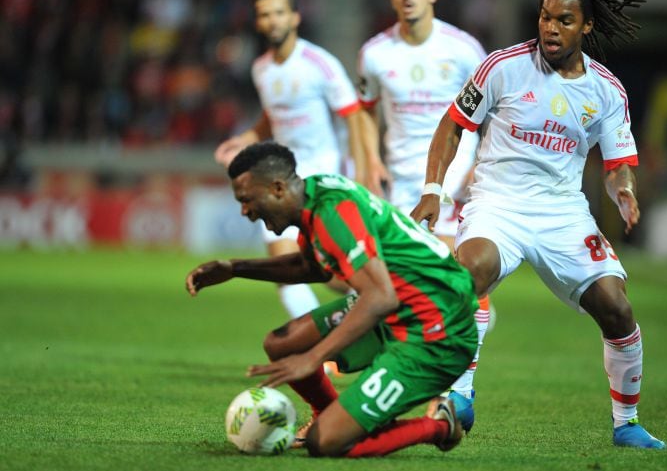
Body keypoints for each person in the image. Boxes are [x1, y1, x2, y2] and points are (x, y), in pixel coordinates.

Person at [411, 0, 666, 449]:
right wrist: (432, 190)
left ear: (586, 25)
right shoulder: (503, 66)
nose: (550, 28)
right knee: (469, 274)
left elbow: (617, 165)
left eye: (564, 20)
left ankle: (627, 422)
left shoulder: (606, 91)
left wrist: (625, 192)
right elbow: (451, 125)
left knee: (616, 308)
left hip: (562, 212)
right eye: (545, 17)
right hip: (497, 204)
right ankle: (459, 394)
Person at [185, 142, 479, 457]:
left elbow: (378, 297)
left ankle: (439, 425)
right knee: (282, 344)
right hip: (401, 308)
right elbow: (311, 267)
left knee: (325, 443)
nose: (245, 211)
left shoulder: (332, 213)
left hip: (437, 333)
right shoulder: (315, 195)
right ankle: (333, 414)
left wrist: (313, 359)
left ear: (278, 188)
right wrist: (234, 268)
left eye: (246, 200)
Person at [354, 0, 489, 431]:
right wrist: (368, 162)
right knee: (397, 289)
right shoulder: (374, 54)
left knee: (459, 281)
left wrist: (476, 166)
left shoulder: (464, 49)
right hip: (400, 184)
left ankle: (459, 391)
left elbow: (493, 110)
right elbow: (366, 112)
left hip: (454, 181)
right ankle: (401, 379)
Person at [213, 0, 377, 319]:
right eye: (264, 15)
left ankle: (393, 299)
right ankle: (320, 349)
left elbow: (354, 116)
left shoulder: (320, 63)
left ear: (295, 17)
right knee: (288, 268)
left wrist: (363, 173)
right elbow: (272, 117)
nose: (272, 21)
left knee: (330, 271)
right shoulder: (261, 68)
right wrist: (244, 138)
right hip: (278, 178)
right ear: (257, 22)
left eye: (278, 13)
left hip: (323, 172)